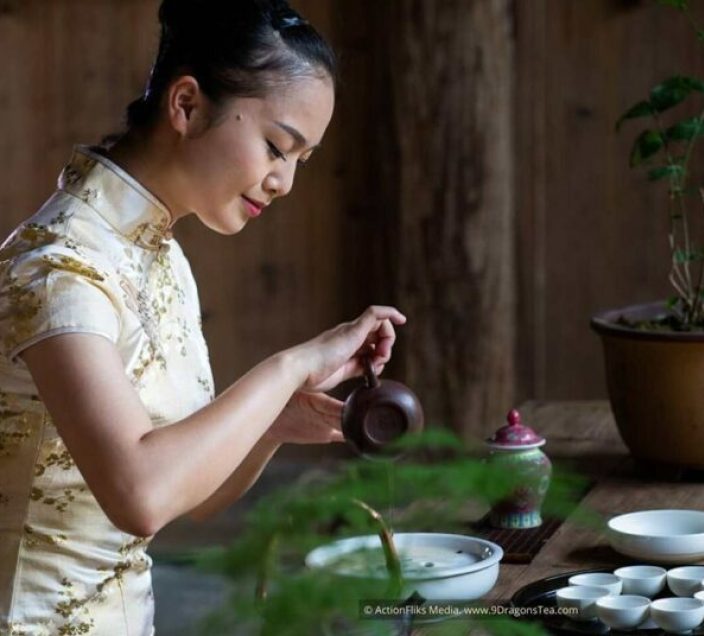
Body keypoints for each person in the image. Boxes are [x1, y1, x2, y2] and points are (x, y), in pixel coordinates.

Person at [0, 1, 404, 634]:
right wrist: (290, 364)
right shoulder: (60, 266)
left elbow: (195, 497)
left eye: (302, 160)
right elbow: (142, 495)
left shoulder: (159, 257)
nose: (285, 182)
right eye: (277, 147)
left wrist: (274, 420)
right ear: (186, 105)